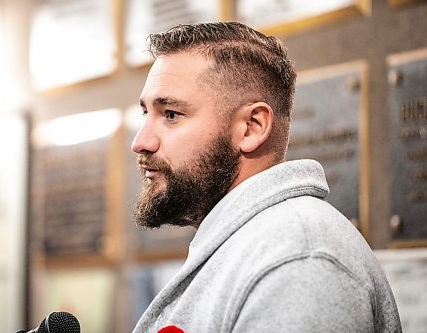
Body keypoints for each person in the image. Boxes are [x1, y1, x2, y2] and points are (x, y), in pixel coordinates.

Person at [130, 22, 401, 332]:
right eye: (145, 113)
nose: (140, 141)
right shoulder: (257, 244)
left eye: (171, 114)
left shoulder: (298, 259)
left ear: (252, 127)